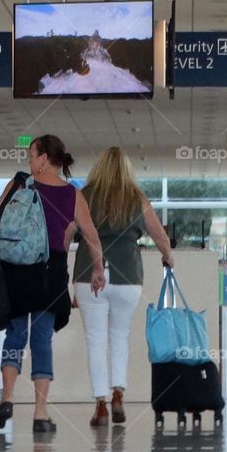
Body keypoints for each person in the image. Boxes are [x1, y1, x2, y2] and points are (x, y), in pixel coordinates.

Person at [0, 135, 105, 434]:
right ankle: (40, 414)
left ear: (42, 158)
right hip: (50, 271)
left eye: (31, 154)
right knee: (42, 340)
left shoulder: (20, 185)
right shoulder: (73, 195)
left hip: (17, 270)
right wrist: (97, 269)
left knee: (15, 334)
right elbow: (90, 234)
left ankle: (8, 398)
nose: (28, 161)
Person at [74, 147, 174, 427]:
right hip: (128, 275)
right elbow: (160, 237)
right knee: (120, 335)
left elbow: (68, 232)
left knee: (96, 340)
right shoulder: (136, 198)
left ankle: (101, 406)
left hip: (88, 273)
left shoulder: (85, 195)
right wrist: (168, 257)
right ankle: (118, 395)